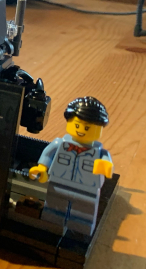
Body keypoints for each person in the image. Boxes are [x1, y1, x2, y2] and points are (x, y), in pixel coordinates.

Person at [29, 96, 113, 236]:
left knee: (83, 211)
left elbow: (107, 164)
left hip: (87, 188)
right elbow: (48, 155)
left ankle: (80, 231)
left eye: (87, 127)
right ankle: (51, 226)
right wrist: (42, 168)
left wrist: (105, 166)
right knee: (55, 206)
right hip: (58, 183)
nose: (81, 130)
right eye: (77, 125)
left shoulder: (100, 153)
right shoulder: (60, 144)